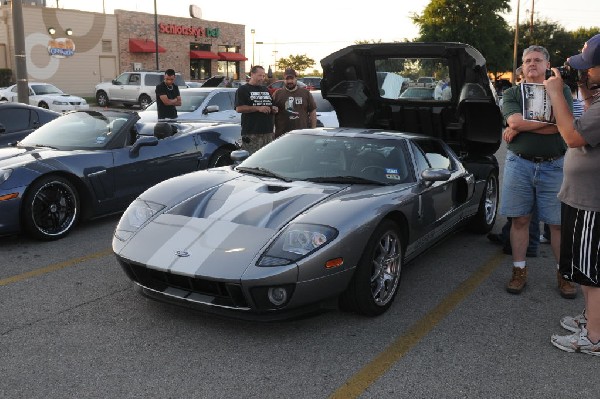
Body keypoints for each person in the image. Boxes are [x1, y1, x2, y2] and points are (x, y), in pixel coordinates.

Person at [500, 45, 575, 298]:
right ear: (522, 67)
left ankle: (564, 274)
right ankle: (519, 271)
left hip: (555, 164)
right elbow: (514, 121)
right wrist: (521, 125)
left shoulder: (560, 89)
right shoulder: (511, 93)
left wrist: (522, 128)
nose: (532, 64)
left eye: (538, 60)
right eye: (528, 60)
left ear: (547, 64)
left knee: (557, 224)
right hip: (520, 163)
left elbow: (565, 126)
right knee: (520, 220)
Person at [545, 34, 600, 355]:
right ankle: (592, 319)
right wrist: (586, 93)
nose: (586, 72)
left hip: (592, 201)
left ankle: (594, 337)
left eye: (590, 68)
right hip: (583, 197)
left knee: (592, 272)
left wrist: (556, 94)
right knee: (583, 266)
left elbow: (573, 136)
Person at [235, 65, 277, 154]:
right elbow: (239, 108)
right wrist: (258, 108)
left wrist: (274, 109)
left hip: (268, 132)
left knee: (267, 159)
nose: (262, 78)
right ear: (252, 74)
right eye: (259, 75)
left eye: (263, 76)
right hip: (252, 133)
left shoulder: (265, 89)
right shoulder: (243, 89)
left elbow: (271, 105)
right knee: (252, 160)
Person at [272, 68, 317, 138]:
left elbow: (312, 111)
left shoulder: (305, 93)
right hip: (282, 136)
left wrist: (313, 129)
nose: (290, 81)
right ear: (284, 79)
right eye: (287, 79)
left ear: (296, 79)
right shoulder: (277, 94)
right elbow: (272, 112)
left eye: (292, 78)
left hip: (302, 134)